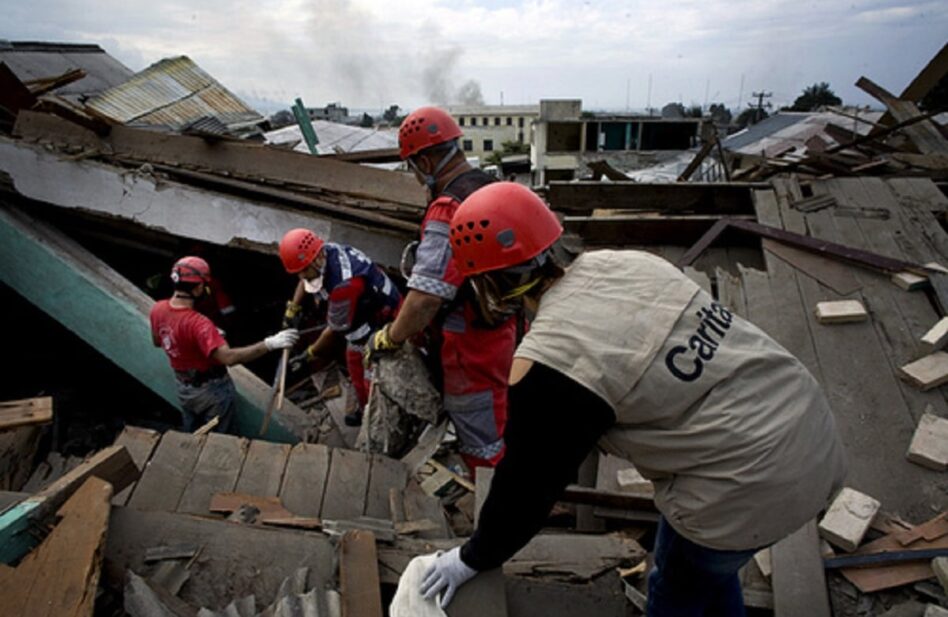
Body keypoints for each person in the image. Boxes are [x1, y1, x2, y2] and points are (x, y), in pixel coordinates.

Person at [417, 183, 847, 615]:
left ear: (487, 283)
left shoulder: (550, 362)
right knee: (710, 571)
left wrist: (472, 557)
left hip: (745, 484)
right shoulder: (624, 264)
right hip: (810, 428)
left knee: (676, 591)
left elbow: (526, 488)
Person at [365, 106, 517, 473]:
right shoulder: (490, 186)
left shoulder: (448, 207)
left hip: (469, 344)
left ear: (427, 159)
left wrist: (391, 336)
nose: (416, 178)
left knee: (481, 438)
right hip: (503, 327)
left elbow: (426, 297)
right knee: (501, 416)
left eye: (413, 166)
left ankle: (493, 510)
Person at [150, 256, 299, 433]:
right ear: (198, 288)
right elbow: (228, 358)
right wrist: (270, 343)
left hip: (184, 387)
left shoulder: (157, 309)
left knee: (191, 433)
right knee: (220, 440)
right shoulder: (199, 324)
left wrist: (199, 341)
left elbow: (158, 341)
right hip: (212, 392)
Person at [279, 229, 401, 426]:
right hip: (362, 311)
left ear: (318, 258)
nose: (302, 276)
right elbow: (304, 278)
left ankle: (377, 419)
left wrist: (309, 354)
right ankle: (363, 408)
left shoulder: (344, 285)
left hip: (380, 319)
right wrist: (293, 308)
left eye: (305, 271)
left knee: (371, 375)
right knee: (354, 363)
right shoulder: (323, 252)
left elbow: (333, 331)